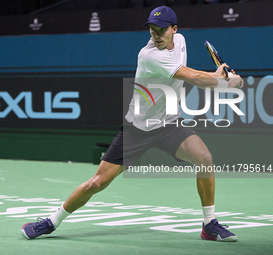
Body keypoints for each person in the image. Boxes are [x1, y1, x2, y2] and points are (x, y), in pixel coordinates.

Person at [21, 5, 243, 242]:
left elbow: (190, 73)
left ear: (174, 29)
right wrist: (226, 83)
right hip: (137, 130)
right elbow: (193, 77)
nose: (156, 35)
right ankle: (51, 221)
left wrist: (218, 77)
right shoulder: (149, 55)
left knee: (205, 158)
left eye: (161, 30)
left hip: (169, 124)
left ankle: (209, 224)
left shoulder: (180, 41)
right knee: (98, 182)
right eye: (152, 30)